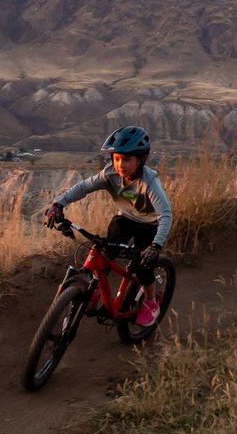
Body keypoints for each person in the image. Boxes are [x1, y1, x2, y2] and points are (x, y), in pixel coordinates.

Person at [43, 125, 173, 325]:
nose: (121, 165)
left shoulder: (150, 182)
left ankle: (150, 301)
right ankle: (93, 291)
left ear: (141, 159)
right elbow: (83, 187)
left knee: (142, 268)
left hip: (150, 224)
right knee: (103, 253)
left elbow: (165, 215)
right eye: (117, 158)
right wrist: (59, 203)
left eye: (127, 159)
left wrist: (155, 246)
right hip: (125, 219)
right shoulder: (110, 175)